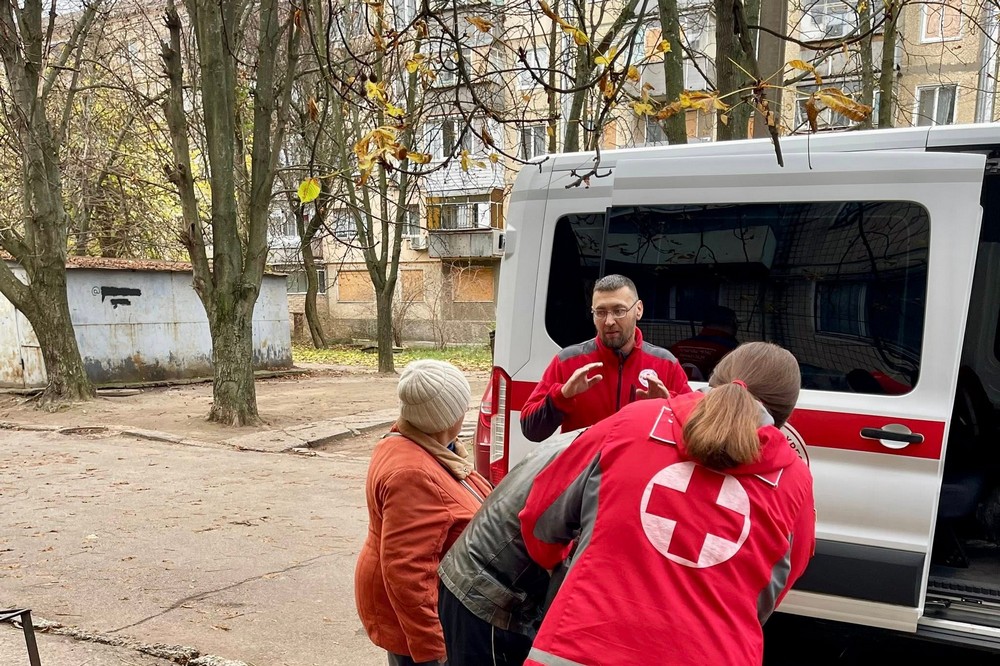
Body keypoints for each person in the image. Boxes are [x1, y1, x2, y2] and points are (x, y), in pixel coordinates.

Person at [519, 342, 816, 666]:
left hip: (577, 644)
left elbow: (540, 515)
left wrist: (559, 565)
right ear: (785, 416)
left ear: (713, 382)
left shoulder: (630, 423)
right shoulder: (794, 481)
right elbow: (772, 590)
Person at [355, 360, 493, 666]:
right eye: (461, 408)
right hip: (416, 620)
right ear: (446, 419)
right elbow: (407, 571)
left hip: (420, 608)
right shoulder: (412, 473)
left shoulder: (420, 442)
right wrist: (433, 651)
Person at [437, 429, 582, 666]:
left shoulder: (581, 439)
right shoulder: (600, 466)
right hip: (486, 598)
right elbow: (566, 567)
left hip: (471, 579)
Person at [520, 274, 690, 442]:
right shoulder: (568, 361)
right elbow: (530, 430)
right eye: (600, 312)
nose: (609, 321)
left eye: (619, 311)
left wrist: (668, 406)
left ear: (638, 310)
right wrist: (562, 396)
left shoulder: (666, 363)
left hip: (640, 469)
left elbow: (696, 431)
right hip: (584, 469)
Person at [669, 304, 740, 381]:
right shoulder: (732, 351)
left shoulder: (677, 347)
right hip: (712, 392)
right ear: (731, 323)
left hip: (680, 391)